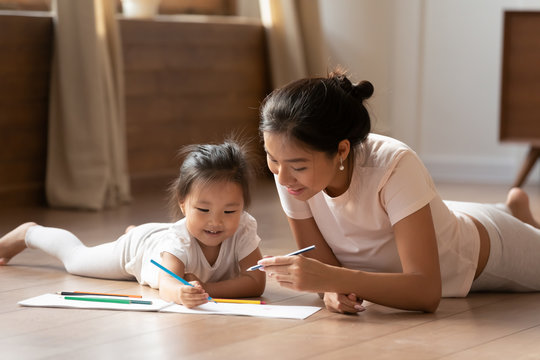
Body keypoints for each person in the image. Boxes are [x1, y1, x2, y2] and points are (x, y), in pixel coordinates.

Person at [255, 69, 540, 314]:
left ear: (341, 150)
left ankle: (516, 218)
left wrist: (332, 278)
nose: (282, 177)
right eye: (273, 159)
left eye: (297, 166)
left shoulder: (393, 165)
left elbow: (426, 291)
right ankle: (515, 211)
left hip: (478, 250)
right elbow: (326, 271)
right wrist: (331, 287)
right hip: (437, 216)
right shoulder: (291, 173)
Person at [0, 140, 265, 308]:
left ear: (243, 207)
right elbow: (168, 283)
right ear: (183, 203)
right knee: (76, 260)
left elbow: (256, 281)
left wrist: (208, 289)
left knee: (153, 238)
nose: (216, 221)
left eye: (230, 210)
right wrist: (181, 292)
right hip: (137, 251)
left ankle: (137, 231)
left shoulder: (242, 227)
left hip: (155, 239)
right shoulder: (178, 240)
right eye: (203, 209)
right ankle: (29, 233)